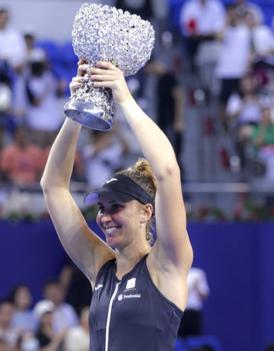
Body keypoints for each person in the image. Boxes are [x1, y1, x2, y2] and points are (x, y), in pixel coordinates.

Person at [40, 60, 193, 350]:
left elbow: (168, 172)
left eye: (116, 207)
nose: (105, 217)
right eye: (102, 208)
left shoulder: (167, 264)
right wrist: (77, 111)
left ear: (146, 212)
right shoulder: (100, 267)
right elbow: (53, 187)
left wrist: (123, 96)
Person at [178, 267, 209, 337]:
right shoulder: (176, 272)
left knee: (194, 338)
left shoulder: (198, 273)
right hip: (179, 311)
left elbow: (205, 295)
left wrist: (197, 286)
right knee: (178, 338)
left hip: (194, 311)